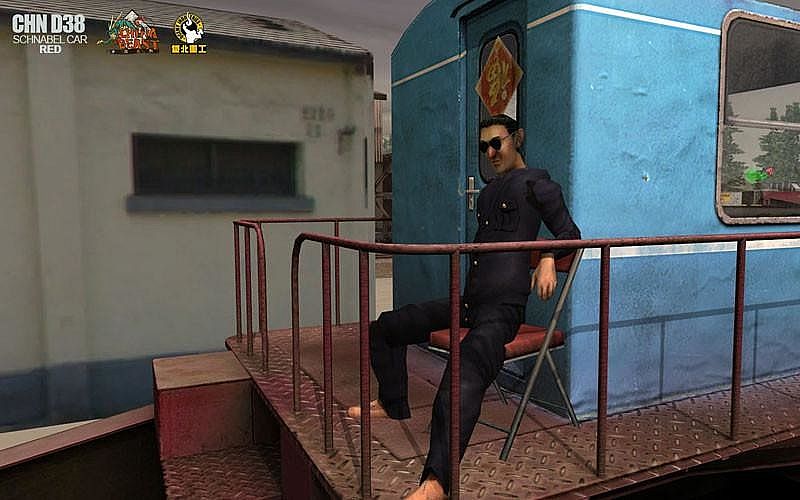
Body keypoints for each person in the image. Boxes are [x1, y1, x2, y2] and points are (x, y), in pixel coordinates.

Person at [348, 114, 581, 499]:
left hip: (502, 311)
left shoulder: (538, 184)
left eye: (497, 143)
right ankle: (392, 402)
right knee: (387, 326)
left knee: (465, 365)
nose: (491, 153)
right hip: (470, 303)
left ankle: (436, 482)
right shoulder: (488, 194)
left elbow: (570, 233)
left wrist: (545, 257)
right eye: (484, 147)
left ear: (518, 139)